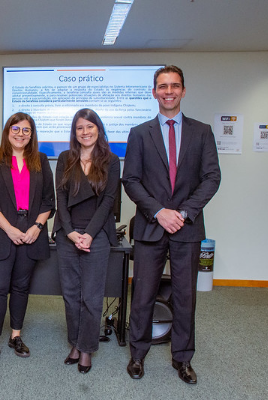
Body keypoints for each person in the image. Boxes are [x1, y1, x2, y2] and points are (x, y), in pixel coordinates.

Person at [123, 65, 221, 384]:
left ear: (183, 90)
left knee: (184, 296)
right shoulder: (139, 133)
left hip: (188, 228)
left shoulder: (202, 131)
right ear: (154, 92)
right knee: (143, 294)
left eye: (174, 85)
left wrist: (184, 212)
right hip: (152, 226)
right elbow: (131, 180)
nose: (168, 91)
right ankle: (138, 354)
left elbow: (211, 177)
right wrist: (159, 211)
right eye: (162, 86)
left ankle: (182, 358)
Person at [0, 112, 55, 367]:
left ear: (32, 134)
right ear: (7, 131)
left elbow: (48, 201)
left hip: (31, 233)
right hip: (2, 232)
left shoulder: (41, 160)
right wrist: (9, 229)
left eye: (26, 130)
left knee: (21, 288)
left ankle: (15, 336)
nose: (20, 134)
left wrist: (36, 226)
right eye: (16, 129)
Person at [53, 108, 120, 374]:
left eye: (90, 127)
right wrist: (69, 232)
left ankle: (86, 348)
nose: (85, 132)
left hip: (98, 233)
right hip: (67, 234)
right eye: (80, 127)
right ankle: (75, 342)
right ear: (75, 132)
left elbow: (108, 202)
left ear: (98, 129)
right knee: (70, 295)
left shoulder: (111, 160)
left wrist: (89, 234)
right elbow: (60, 198)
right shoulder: (64, 158)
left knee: (91, 297)